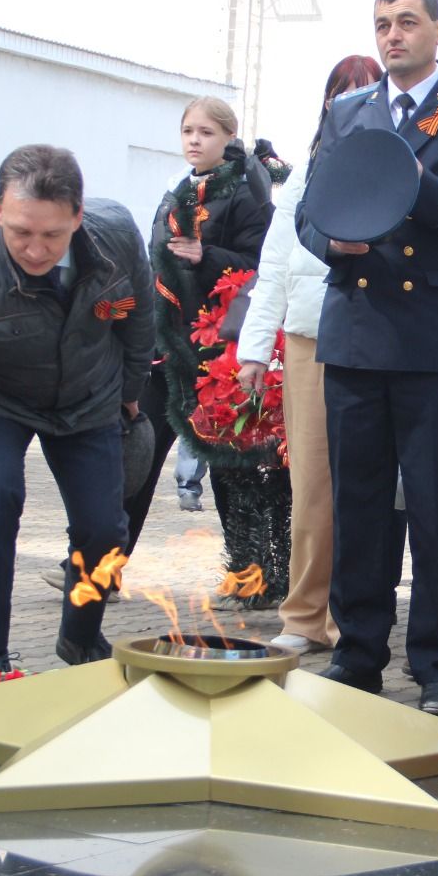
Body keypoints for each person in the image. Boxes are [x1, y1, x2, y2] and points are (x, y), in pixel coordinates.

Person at [296, 0, 438, 716]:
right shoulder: (348, 111)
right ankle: (359, 654)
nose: (394, 35)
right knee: (358, 507)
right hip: (357, 332)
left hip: (432, 343)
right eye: (384, 23)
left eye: (409, 22)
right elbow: (307, 213)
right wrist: (332, 240)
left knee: (436, 509)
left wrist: (417, 184)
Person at [0, 144, 153, 668]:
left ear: (78, 217)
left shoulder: (116, 238)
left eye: (52, 235)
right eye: (20, 232)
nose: (35, 250)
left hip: (89, 396)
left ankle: (81, 636)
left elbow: (137, 317)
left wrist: (129, 396)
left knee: (105, 529)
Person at [236, 54, 384, 654]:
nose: (347, 103)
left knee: (373, 490)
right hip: (306, 340)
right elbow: (273, 263)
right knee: (313, 486)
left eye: (363, 92)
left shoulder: (395, 165)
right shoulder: (304, 172)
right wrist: (253, 349)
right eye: (339, 93)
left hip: (375, 340)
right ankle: (304, 617)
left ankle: (360, 616)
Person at [147, 97, 289, 609]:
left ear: (227, 137)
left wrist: (207, 258)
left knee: (239, 463)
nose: (193, 141)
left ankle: (260, 572)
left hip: (223, 343)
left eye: (205, 132)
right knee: (203, 458)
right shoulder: (178, 189)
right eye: (187, 130)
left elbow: (260, 263)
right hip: (173, 342)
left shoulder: (247, 188)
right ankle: (241, 568)